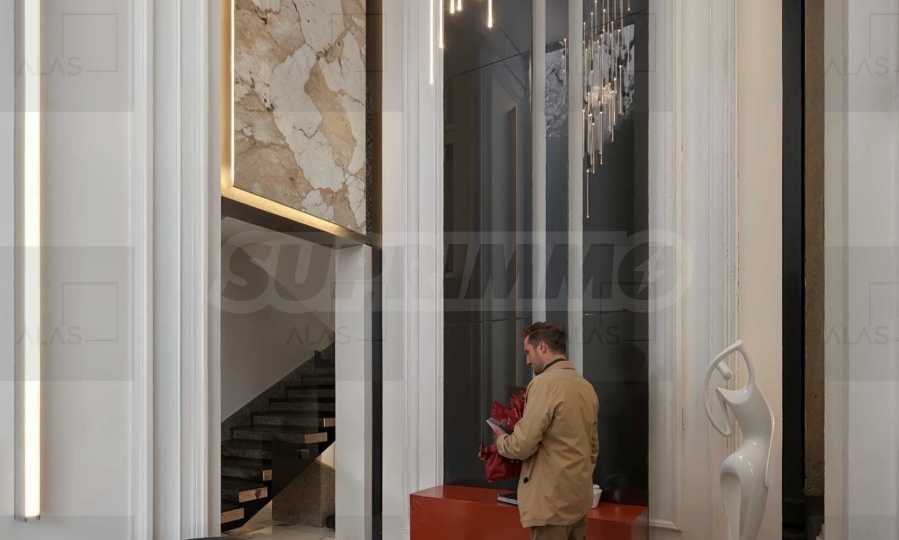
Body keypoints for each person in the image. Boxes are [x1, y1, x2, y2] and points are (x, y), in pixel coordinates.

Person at [492, 322, 599, 540]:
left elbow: (522, 445)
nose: (527, 360)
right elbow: (593, 448)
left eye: (528, 352)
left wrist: (501, 440)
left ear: (542, 347)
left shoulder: (543, 384)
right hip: (578, 501)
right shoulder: (586, 387)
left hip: (551, 505)